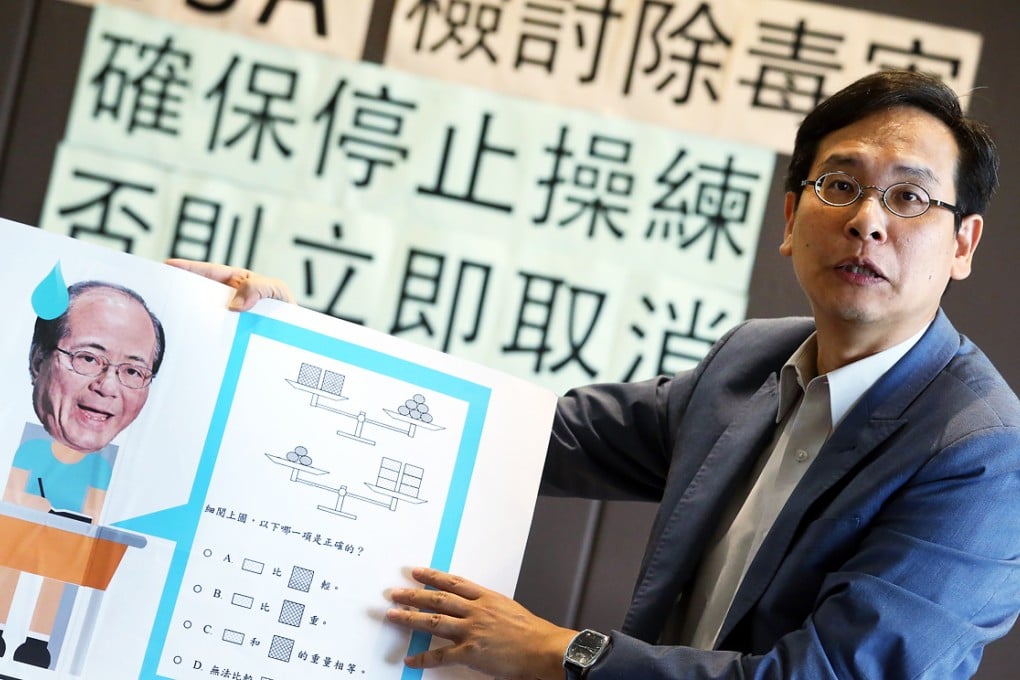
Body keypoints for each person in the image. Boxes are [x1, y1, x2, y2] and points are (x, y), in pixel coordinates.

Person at [171, 69, 1020, 679]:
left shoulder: (982, 453)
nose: (869, 220)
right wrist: (287, 343)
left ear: (963, 246)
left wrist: (558, 651)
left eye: (911, 198)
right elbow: (522, 432)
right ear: (793, 218)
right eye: (841, 184)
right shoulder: (752, 361)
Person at [0, 280, 165, 668]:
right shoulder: (28, 447)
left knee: (56, 587)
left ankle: (38, 642)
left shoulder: (128, 485)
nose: (107, 386)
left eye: (132, 371)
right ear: (38, 361)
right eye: (88, 359)